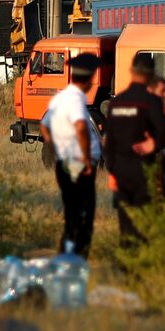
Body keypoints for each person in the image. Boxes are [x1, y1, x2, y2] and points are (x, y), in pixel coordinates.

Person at [103, 53, 165, 244]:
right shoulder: (151, 102)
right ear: (150, 75)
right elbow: (163, 132)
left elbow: (109, 141)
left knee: (125, 222)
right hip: (143, 169)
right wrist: (154, 145)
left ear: (131, 72)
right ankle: (141, 262)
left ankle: (127, 262)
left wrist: (113, 169)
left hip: (121, 171)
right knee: (142, 220)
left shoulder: (116, 103)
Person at [42, 54, 102, 257]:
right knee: (83, 215)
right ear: (88, 79)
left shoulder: (61, 97)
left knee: (72, 214)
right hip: (78, 164)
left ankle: (66, 255)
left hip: (65, 162)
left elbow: (44, 126)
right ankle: (77, 259)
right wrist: (85, 158)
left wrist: (56, 148)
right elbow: (81, 128)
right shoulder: (76, 99)